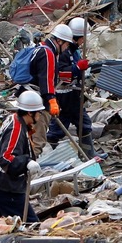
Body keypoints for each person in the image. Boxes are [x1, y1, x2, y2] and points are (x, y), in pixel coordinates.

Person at [0, 90, 44, 221]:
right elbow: (7, 158)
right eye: (39, 112)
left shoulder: (14, 119)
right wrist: (26, 161)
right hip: (6, 187)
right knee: (31, 223)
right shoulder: (16, 129)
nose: (40, 115)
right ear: (30, 113)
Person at [46, 17, 97, 157]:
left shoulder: (74, 51)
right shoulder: (63, 52)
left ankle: (88, 154)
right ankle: (51, 153)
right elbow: (61, 74)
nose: (83, 42)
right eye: (82, 39)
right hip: (64, 96)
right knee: (58, 129)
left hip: (73, 95)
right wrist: (76, 68)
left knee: (84, 124)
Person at [23, 24, 72, 155]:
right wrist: (51, 100)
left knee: (26, 137)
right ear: (59, 41)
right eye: (67, 44)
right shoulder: (48, 53)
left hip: (27, 96)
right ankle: (30, 168)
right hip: (37, 100)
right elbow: (46, 79)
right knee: (38, 139)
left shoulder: (40, 48)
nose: (67, 48)